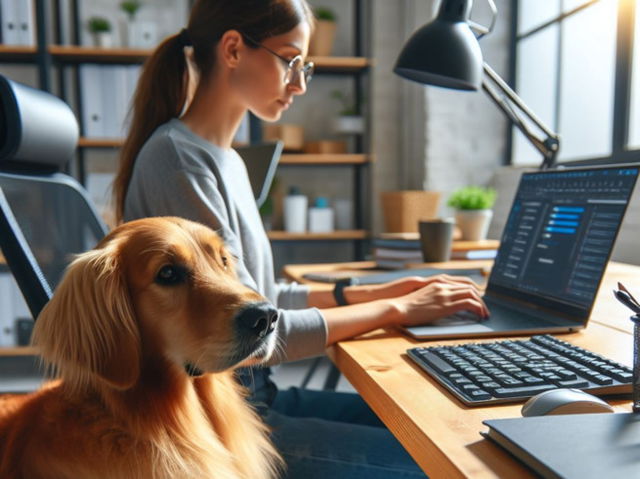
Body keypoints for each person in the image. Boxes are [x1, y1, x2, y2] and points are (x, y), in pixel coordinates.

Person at [112, 1, 488, 477]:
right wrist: (398, 310)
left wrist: (375, 292)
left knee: (446, 426)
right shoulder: (180, 161)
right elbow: (254, 336)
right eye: (291, 60)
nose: (300, 83)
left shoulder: (221, 157)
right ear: (232, 49)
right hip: (223, 417)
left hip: (253, 395)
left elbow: (260, 300)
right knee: (449, 466)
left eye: (304, 66)